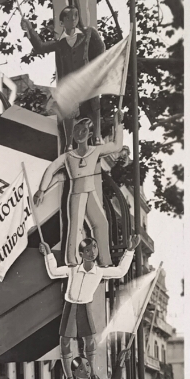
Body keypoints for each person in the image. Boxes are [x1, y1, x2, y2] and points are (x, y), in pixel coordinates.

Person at [36, 112, 128, 267]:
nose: (79, 134)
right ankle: (71, 260)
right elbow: (51, 168)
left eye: (83, 131)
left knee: (101, 223)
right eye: (77, 130)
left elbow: (116, 146)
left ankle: (105, 261)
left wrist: (118, 125)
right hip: (76, 193)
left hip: (90, 191)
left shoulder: (95, 150)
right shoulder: (68, 155)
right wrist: (42, 190)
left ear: (90, 134)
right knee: (75, 226)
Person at [42, 233, 137, 379]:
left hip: (85, 306)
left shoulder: (99, 272)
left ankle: (91, 373)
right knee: (65, 340)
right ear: (81, 254)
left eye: (94, 248)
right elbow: (53, 272)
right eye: (88, 250)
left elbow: (120, 271)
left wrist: (130, 250)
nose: (92, 252)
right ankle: (68, 376)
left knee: (90, 340)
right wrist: (48, 253)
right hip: (70, 305)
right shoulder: (73, 269)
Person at [21, 4, 106, 142]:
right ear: (62, 22)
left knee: (95, 104)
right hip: (69, 85)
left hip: (86, 81)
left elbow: (100, 48)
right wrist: (29, 29)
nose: (72, 19)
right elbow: (40, 47)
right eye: (68, 17)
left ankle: (96, 135)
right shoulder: (59, 44)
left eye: (75, 16)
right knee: (68, 111)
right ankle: (68, 142)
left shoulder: (87, 34)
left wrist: (95, 68)